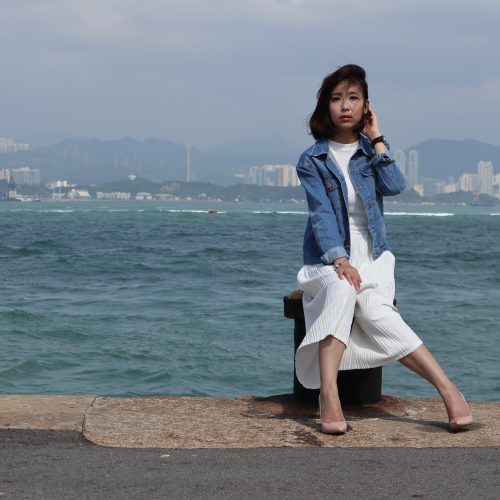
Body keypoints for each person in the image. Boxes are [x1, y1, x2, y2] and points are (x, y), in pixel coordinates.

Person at [295, 64, 473, 434]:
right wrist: (340, 260)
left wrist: (377, 138)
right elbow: (321, 215)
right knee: (342, 289)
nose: (345, 106)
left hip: (373, 256)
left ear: (366, 106)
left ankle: (448, 389)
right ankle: (329, 394)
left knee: (378, 315)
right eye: (337, 98)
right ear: (326, 106)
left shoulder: (368, 153)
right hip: (328, 258)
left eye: (353, 98)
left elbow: (394, 186)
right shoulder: (312, 159)